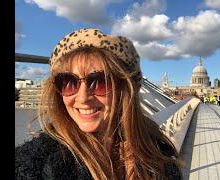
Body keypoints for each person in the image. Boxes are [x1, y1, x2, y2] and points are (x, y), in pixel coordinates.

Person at [15, 28, 182, 180]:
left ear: (125, 89)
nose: (82, 98)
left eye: (100, 81)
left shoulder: (158, 150)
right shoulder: (37, 162)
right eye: (68, 82)